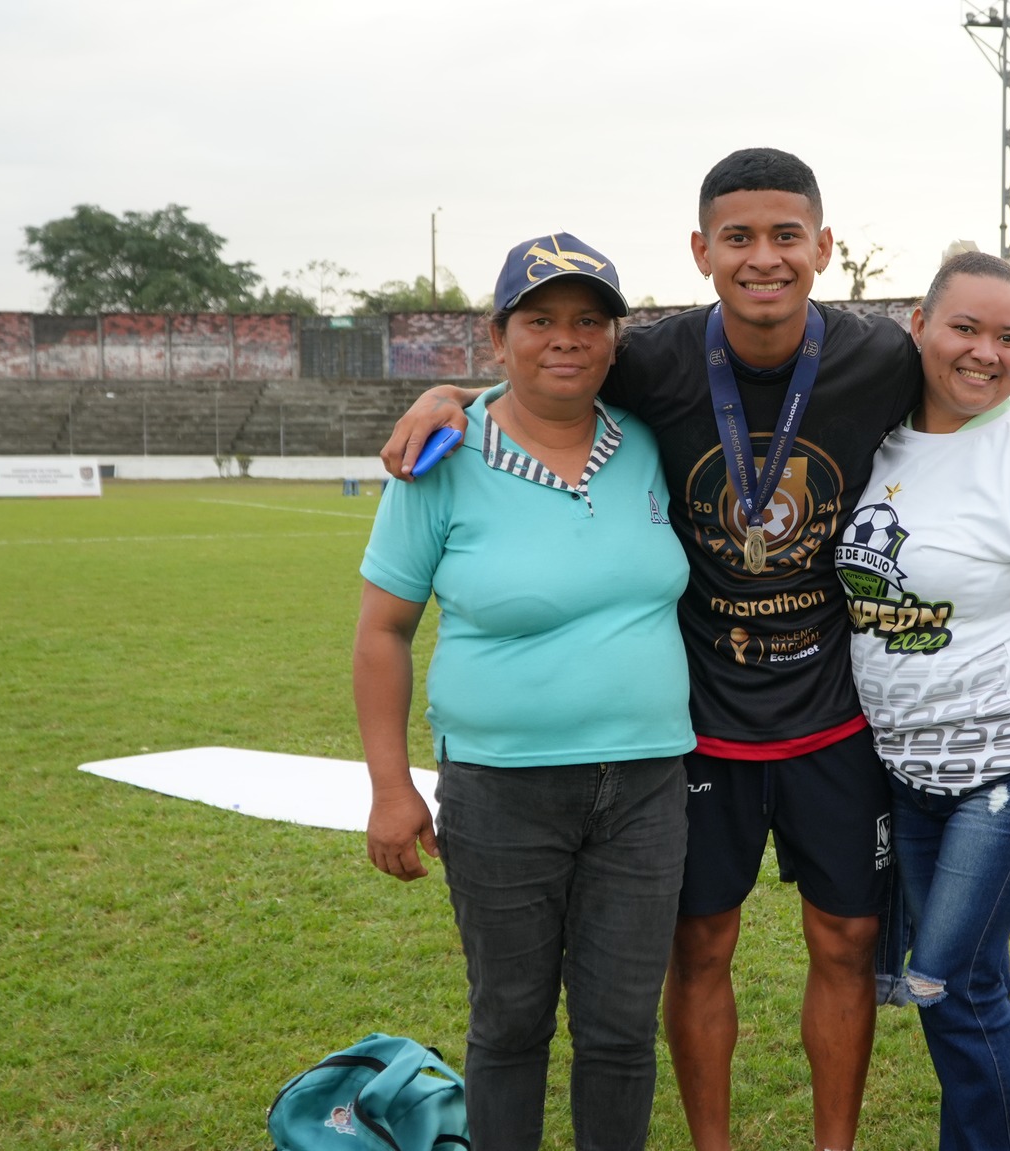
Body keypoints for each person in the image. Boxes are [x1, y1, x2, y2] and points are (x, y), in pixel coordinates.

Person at [376, 148, 1010, 1151]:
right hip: (700, 721)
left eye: (784, 235)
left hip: (833, 715)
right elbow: (551, 355)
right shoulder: (654, 359)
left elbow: (966, 376)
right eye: (738, 237)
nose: (762, 256)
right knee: (699, 942)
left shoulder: (872, 357)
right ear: (701, 250)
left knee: (845, 938)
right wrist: (447, 395)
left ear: (822, 246)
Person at [354, 233, 694, 1149]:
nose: (566, 339)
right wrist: (391, 789)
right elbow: (383, 632)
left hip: (649, 785)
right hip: (502, 788)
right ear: (498, 335)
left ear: (615, 340)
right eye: (539, 320)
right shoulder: (443, 456)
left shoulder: (651, 444)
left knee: (621, 1030)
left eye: (589, 320)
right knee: (509, 1024)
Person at [838, 250, 1010, 1151]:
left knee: (946, 980)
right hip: (907, 776)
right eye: (965, 327)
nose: (987, 352)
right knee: (971, 979)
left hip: (1008, 773)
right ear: (918, 325)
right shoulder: (863, 436)